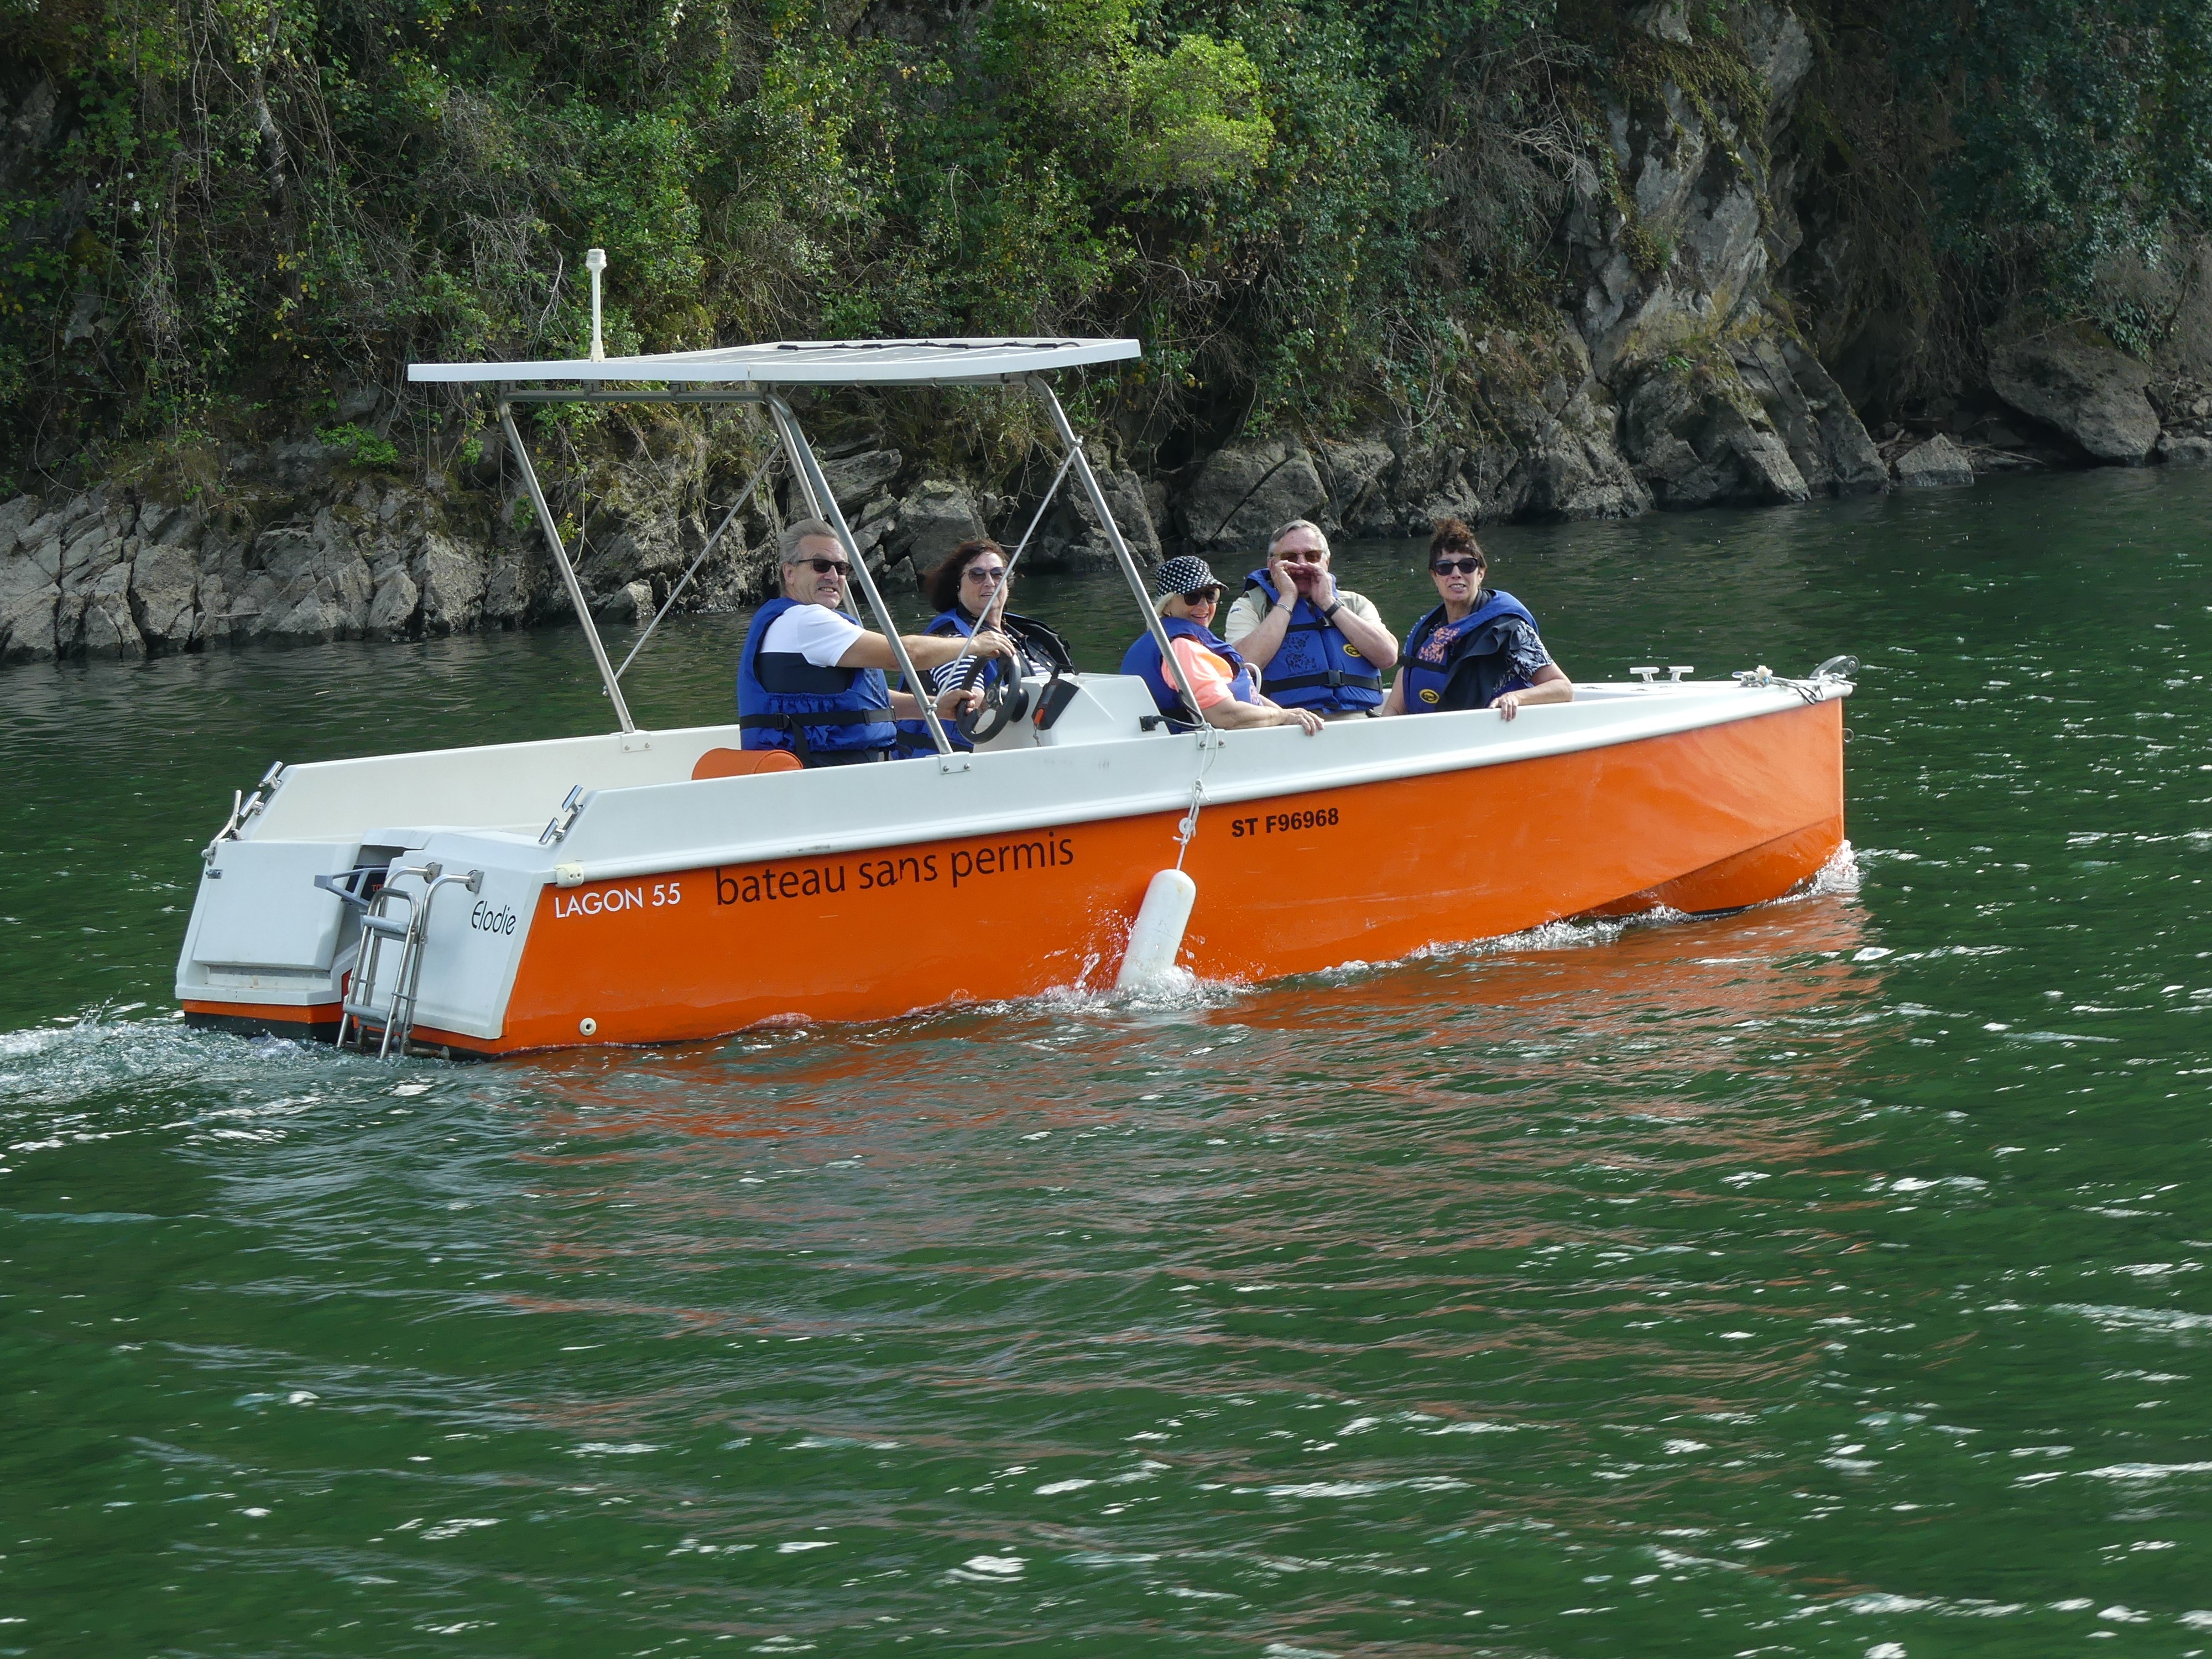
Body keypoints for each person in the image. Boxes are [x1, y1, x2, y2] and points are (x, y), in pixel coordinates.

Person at [738, 519, 1017, 765]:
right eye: (821, 565)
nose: (833, 576)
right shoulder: (806, 621)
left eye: (842, 568)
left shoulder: (797, 623)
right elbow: (904, 655)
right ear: (790, 573)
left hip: (842, 767)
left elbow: (862, 703)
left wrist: (934, 706)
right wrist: (975, 644)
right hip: (826, 773)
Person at [894, 538, 1076, 753]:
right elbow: (970, 702)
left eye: (998, 574)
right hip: (972, 761)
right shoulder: (950, 639)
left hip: (1045, 744)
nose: (989, 582)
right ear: (958, 585)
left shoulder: (1024, 636)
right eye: (977, 575)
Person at [1381, 518, 1573, 721]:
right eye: (1445, 568)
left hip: (1491, 737)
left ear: (1481, 573)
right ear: (1434, 576)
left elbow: (1562, 688)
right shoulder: (1426, 633)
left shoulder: (1509, 629)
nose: (1456, 574)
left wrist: (1516, 697)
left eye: (1467, 566)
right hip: (1431, 740)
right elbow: (1394, 708)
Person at [1120, 556, 1325, 735]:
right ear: (1167, 605)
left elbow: (1244, 694)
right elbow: (1225, 716)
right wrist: (1281, 716)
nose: (1203, 606)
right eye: (1191, 597)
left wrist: (1289, 715)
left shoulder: (1170, 641)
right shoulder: (1182, 647)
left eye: (1210, 595)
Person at [1222, 519, 1397, 719]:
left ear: (1326, 562)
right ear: (1272, 565)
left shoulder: (1355, 603)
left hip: (1355, 720)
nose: (1302, 564)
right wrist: (1287, 599)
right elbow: (1242, 666)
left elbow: (1388, 656)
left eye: (1312, 556)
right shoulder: (1249, 606)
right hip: (1283, 725)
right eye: (1290, 557)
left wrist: (1328, 603)